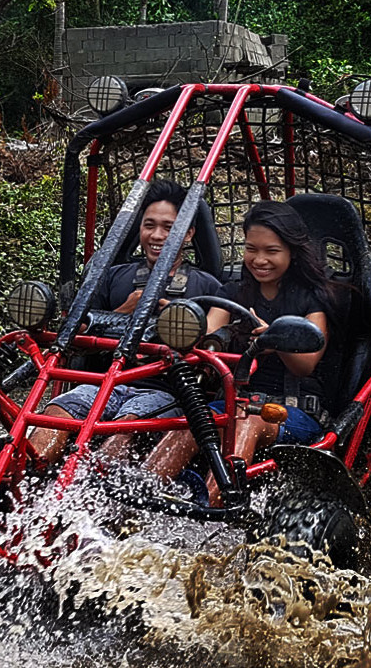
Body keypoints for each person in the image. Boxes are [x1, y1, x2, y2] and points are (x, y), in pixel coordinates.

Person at [146, 200, 345, 498]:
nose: (259, 259)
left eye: (271, 251)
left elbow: (305, 365)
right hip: (234, 401)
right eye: (252, 249)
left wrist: (275, 339)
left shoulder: (312, 300)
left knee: (245, 422)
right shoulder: (233, 293)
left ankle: (218, 504)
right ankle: (140, 496)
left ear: (292, 251)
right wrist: (182, 325)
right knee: (192, 420)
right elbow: (208, 333)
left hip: (293, 409)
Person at [28, 179, 224, 463]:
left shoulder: (207, 287)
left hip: (165, 392)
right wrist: (125, 310)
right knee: (56, 414)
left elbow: (214, 355)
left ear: (189, 234)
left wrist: (178, 326)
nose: (157, 236)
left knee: (125, 428)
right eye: (149, 225)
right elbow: (77, 336)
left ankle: (95, 491)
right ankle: (24, 479)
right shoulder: (113, 277)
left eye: (169, 227)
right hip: (105, 382)